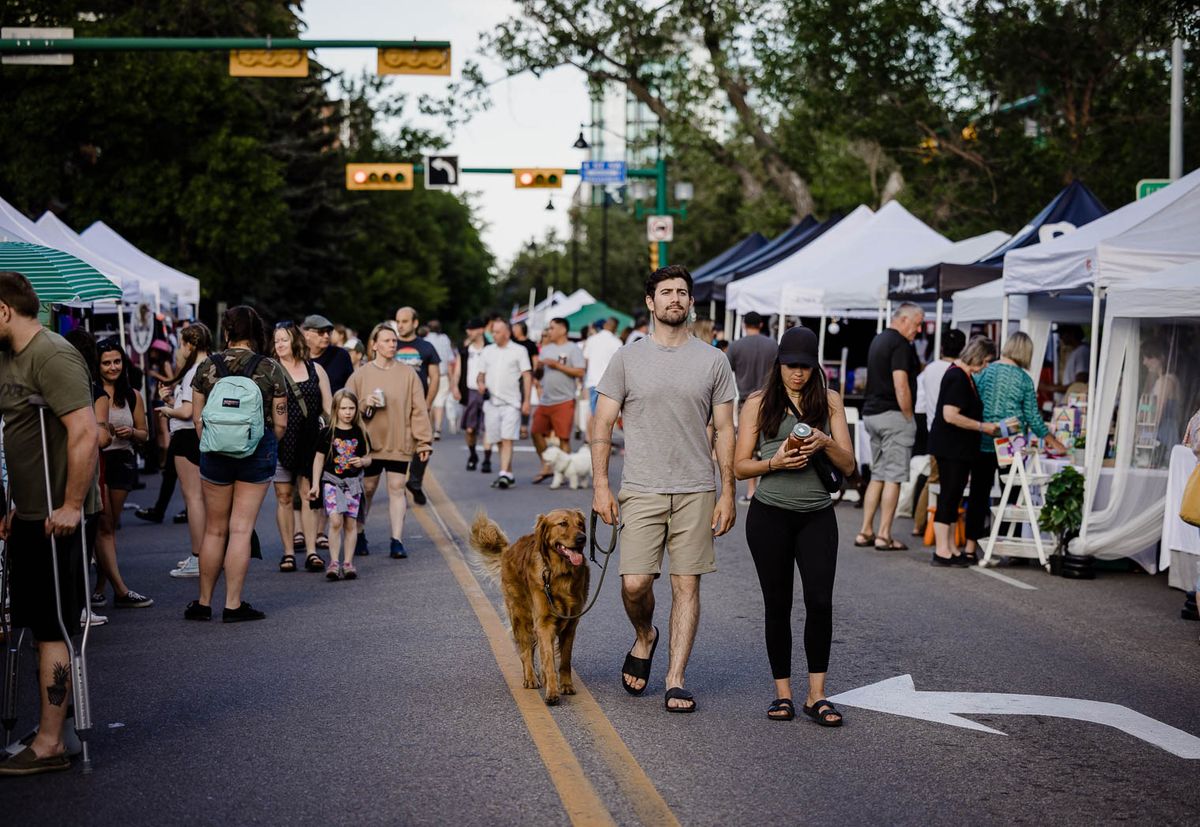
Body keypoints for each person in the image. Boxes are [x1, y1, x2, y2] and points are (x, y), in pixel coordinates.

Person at [591, 264, 737, 713]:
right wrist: (601, 485)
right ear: (651, 303)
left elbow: (726, 430)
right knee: (634, 584)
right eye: (666, 292)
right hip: (641, 488)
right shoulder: (627, 358)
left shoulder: (714, 360)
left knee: (686, 585)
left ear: (691, 302)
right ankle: (644, 634)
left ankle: (676, 678)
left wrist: (727, 491)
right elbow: (601, 423)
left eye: (682, 293)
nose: (675, 299)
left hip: (696, 488)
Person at [0, 271, 102, 775]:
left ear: (3, 311)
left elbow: (84, 433)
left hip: (58, 518)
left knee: (53, 624)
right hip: (30, 511)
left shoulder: (54, 354)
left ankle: (50, 742)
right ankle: (45, 727)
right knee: (35, 624)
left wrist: (71, 503)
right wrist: (17, 504)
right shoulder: (9, 358)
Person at [734, 326, 856, 725]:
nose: (797, 374)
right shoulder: (758, 401)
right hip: (770, 514)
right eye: (790, 366)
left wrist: (825, 442)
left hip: (816, 515)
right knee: (778, 605)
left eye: (805, 367)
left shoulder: (831, 401)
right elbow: (739, 466)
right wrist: (774, 463)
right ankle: (783, 693)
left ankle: (816, 695)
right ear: (779, 364)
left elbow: (850, 465)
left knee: (820, 603)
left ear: (815, 367)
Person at [187, 306, 290, 623]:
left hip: (215, 453)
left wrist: (215, 443)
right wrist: (263, 441)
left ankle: (204, 603)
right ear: (255, 331)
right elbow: (282, 424)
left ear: (227, 331)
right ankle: (233, 605)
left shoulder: (207, 367)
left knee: (214, 530)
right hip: (256, 453)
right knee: (241, 529)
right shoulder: (270, 368)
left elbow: (197, 418)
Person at [973, 332, 1067, 555]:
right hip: (1010, 441)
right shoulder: (1024, 379)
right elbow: (1033, 417)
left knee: (979, 492)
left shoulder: (985, 370)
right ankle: (1006, 545)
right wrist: (1053, 441)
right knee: (1012, 495)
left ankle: (973, 543)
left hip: (983, 436)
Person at [346, 323, 433, 559]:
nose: (392, 344)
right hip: (370, 445)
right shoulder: (361, 375)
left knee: (396, 488)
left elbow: (419, 409)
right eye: (386, 340)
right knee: (368, 488)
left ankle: (397, 540)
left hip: (399, 442)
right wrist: (365, 404)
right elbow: (346, 407)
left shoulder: (408, 374)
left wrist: (424, 441)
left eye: (394, 341)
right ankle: (360, 533)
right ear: (374, 345)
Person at [91, 340, 154, 609]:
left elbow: (145, 434)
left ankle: (102, 585)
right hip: (98, 459)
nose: (113, 367)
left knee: (111, 526)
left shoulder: (132, 395)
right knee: (103, 525)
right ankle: (117, 588)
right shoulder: (91, 392)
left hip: (123, 460)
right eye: (106, 362)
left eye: (117, 361)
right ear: (98, 365)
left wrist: (132, 433)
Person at [857, 302, 924, 551]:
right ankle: (884, 534)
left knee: (878, 474)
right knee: (894, 477)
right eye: (917, 324)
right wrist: (908, 416)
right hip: (893, 414)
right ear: (904, 319)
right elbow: (901, 383)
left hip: (873, 413)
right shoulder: (900, 344)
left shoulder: (879, 339)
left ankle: (865, 530)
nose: (918, 330)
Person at [927, 336, 999, 565]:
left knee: (953, 496)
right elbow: (950, 414)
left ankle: (949, 548)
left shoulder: (962, 375)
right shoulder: (958, 376)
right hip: (951, 447)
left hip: (956, 448)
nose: (986, 366)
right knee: (949, 496)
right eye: (986, 361)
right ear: (977, 356)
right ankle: (942, 550)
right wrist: (982, 426)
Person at [272, 321, 332, 574]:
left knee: (309, 495)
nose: (279, 345)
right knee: (284, 497)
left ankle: (311, 552)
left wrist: (327, 436)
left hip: (310, 443)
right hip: (280, 442)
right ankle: (288, 553)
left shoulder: (315, 369)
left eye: (283, 340)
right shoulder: (270, 370)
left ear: (296, 340)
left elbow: (329, 409)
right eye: (276, 341)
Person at [160, 323, 214, 579]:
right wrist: (173, 400)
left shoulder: (194, 371)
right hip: (203, 435)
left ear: (190, 345)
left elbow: (187, 412)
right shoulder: (212, 366)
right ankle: (207, 554)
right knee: (203, 498)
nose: (180, 350)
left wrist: (166, 409)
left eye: (182, 344)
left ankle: (198, 556)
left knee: (193, 499)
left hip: (186, 436)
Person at [310, 389, 372, 580]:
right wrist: (315, 484)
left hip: (352, 483)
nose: (348, 412)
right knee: (335, 520)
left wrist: (362, 462)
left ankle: (348, 563)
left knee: (351, 523)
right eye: (344, 408)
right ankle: (334, 562)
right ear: (335, 409)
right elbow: (319, 459)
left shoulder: (360, 432)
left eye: (351, 408)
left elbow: (369, 456)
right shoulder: (327, 432)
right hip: (332, 482)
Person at [913, 329, 966, 537]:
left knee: (933, 480)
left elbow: (921, 403)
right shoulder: (958, 371)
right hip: (954, 433)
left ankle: (920, 523)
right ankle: (931, 527)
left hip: (932, 429)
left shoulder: (929, 370)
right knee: (950, 484)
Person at [726, 311, 779, 505]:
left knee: (748, 448)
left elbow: (725, 371)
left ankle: (751, 491)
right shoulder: (772, 345)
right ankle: (769, 490)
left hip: (746, 401)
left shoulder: (736, 346)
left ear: (743, 325)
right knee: (769, 443)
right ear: (761, 325)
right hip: (771, 400)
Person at [477, 319, 532, 489]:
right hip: (492, 403)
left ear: (507, 333)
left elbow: (527, 376)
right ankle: (508, 473)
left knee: (507, 438)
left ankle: (503, 473)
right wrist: (480, 384)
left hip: (511, 403)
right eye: (493, 332)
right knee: (499, 439)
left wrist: (527, 401)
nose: (494, 335)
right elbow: (480, 375)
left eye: (497, 332)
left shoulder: (519, 350)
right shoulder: (487, 351)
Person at [393, 306, 440, 506]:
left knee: (424, 445)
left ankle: (415, 481)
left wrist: (427, 404)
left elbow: (435, 377)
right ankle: (396, 488)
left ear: (415, 323)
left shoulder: (426, 347)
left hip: (418, 406)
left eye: (404, 321)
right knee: (397, 448)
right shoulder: (390, 344)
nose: (400, 325)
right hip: (394, 406)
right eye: (398, 321)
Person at [530, 317, 585, 484]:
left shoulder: (573, 349)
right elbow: (538, 376)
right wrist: (538, 369)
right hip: (546, 399)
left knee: (563, 438)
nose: (549, 331)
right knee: (535, 432)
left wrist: (558, 366)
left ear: (563, 329)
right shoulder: (546, 349)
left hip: (564, 400)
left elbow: (580, 372)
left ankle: (566, 472)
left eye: (552, 328)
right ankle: (547, 464)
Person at [452, 318, 489, 471]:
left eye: (472, 329)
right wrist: (454, 387)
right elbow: (458, 370)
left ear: (481, 330)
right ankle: (472, 454)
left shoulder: (490, 349)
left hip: (487, 391)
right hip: (470, 391)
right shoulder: (465, 350)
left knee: (487, 427)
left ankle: (487, 459)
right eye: (468, 329)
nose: (469, 332)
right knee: (470, 428)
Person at [302, 314, 355, 393]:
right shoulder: (298, 357)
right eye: (321, 332)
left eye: (329, 332)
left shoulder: (341, 355)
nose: (326, 336)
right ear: (306, 334)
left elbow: (351, 387)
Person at [582, 317, 622, 416]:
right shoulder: (617, 342)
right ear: (616, 328)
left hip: (593, 381)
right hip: (609, 384)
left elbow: (585, 362)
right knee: (604, 415)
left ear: (605, 325)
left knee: (593, 414)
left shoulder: (592, 339)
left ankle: (591, 432)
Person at [424, 319, 456, 441]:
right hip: (442, 375)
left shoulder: (426, 340)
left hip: (428, 375)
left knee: (430, 402)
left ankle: (431, 427)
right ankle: (438, 428)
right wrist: (452, 379)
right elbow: (449, 359)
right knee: (440, 403)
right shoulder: (445, 339)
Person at [512, 321, 540, 440]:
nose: (514, 330)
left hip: (525, 376)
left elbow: (535, 361)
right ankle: (514, 425)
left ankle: (524, 426)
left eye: (516, 328)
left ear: (522, 329)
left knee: (525, 400)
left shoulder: (530, 344)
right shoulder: (511, 343)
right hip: (512, 376)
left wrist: (533, 375)